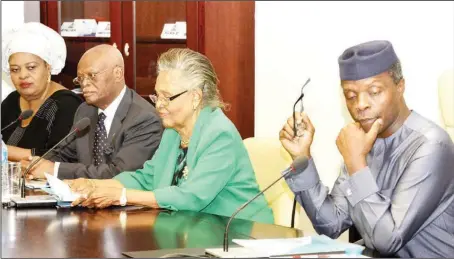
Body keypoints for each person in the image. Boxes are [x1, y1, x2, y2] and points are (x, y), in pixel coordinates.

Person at [279, 40, 454, 257]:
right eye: (351, 96)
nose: (360, 104)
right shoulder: (362, 142)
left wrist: (356, 163)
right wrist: (302, 156)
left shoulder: (432, 145)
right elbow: (331, 224)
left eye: (374, 91)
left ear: (400, 87)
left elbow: (387, 240)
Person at [67, 48, 274, 224]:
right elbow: (146, 178)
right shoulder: (173, 132)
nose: (158, 105)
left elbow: (191, 196)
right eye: (157, 96)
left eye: (167, 97)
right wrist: (94, 185)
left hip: (241, 234)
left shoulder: (220, 134)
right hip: (192, 229)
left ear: (195, 98)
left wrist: (120, 196)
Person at [22, 44, 163, 180]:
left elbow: (119, 174)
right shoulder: (85, 110)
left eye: (92, 75)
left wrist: (55, 170)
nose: (85, 84)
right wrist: (35, 164)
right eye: (80, 79)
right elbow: (64, 154)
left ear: (118, 73)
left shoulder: (144, 118)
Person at [1, 22, 83, 161]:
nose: (23, 75)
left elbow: (56, 157)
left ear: (48, 67)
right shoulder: (11, 101)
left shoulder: (66, 104)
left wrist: (4, 151)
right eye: (15, 69)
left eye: (31, 67)